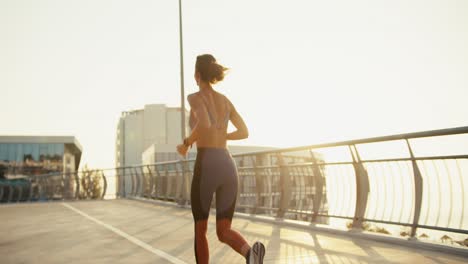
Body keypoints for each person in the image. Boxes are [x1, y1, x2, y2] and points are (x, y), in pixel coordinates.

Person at [177, 54, 266, 264]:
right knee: (223, 230)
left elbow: (205, 124)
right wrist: (223, 135)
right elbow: (244, 132)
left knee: (201, 229)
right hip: (227, 165)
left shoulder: (195, 97)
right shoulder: (225, 101)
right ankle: (249, 254)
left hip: (207, 163)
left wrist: (187, 142)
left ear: (197, 75)